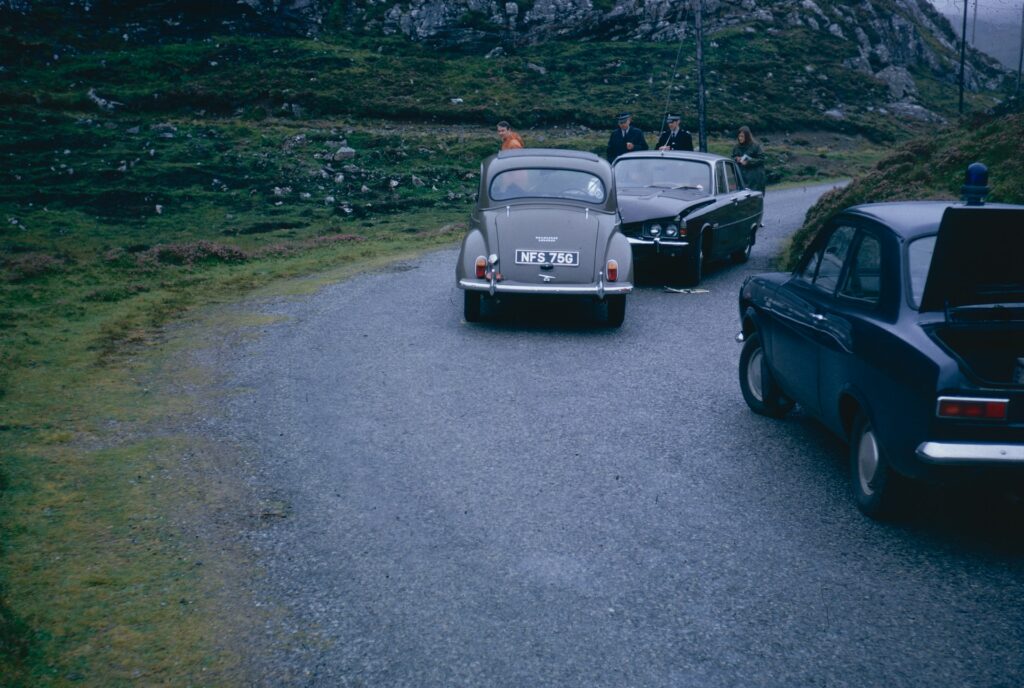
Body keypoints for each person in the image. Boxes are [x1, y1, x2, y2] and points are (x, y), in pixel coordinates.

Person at [731, 125, 766, 193]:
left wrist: (748, 162)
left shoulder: (756, 146)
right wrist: (736, 159)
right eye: (739, 136)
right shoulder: (736, 147)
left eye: (742, 136)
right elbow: (732, 157)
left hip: (754, 178)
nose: (740, 138)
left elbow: (761, 159)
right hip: (741, 177)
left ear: (747, 136)